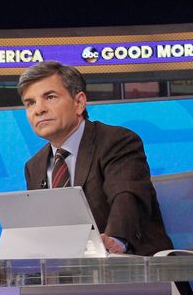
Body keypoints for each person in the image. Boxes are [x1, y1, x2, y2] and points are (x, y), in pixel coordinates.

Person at [18, 61, 172, 256]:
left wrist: (116, 239)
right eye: (30, 103)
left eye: (50, 97)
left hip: (132, 264)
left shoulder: (116, 141)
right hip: (69, 272)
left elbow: (126, 196)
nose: (39, 109)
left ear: (79, 103)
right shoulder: (34, 166)